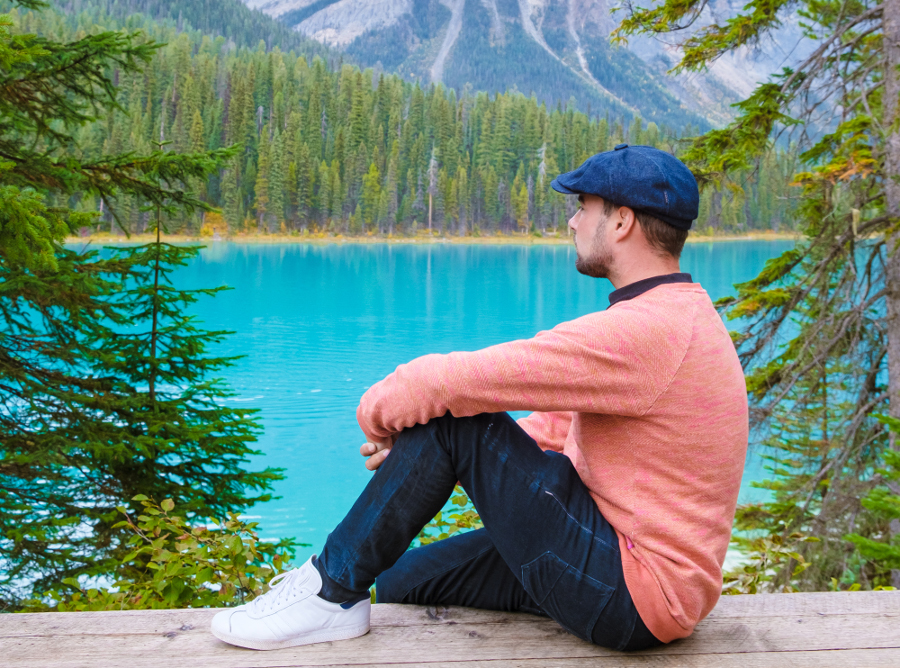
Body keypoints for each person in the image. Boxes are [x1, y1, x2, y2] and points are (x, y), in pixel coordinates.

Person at [210, 144, 749, 652]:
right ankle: (343, 593)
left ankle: (328, 592)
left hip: (633, 592)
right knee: (402, 582)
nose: (572, 221)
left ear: (622, 221)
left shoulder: (649, 330)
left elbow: (448, 384)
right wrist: (430, 454)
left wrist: (379, 421)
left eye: (583, 206)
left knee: (454, 419)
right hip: (615, 556)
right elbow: (563, 424)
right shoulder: (673, 313)